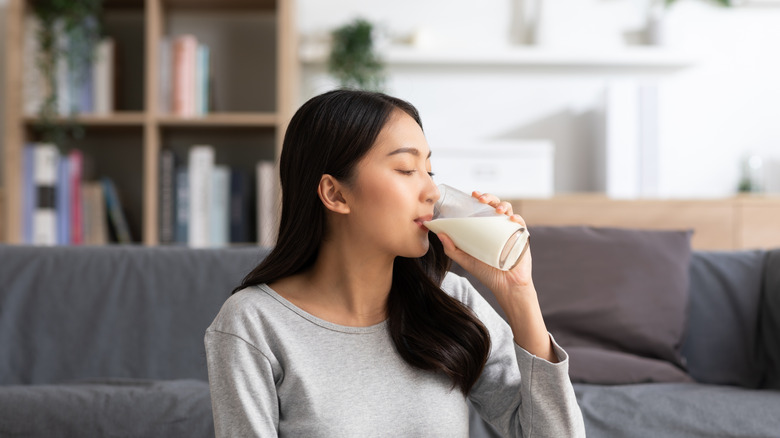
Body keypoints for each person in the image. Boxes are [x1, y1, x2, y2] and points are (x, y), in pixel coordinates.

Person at [204, 89, 586, 437]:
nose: (433, 191)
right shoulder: (252, 323)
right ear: (335, 193)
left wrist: (519, 292)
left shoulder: (450, 301)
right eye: (407, 170)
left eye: (429, 171)